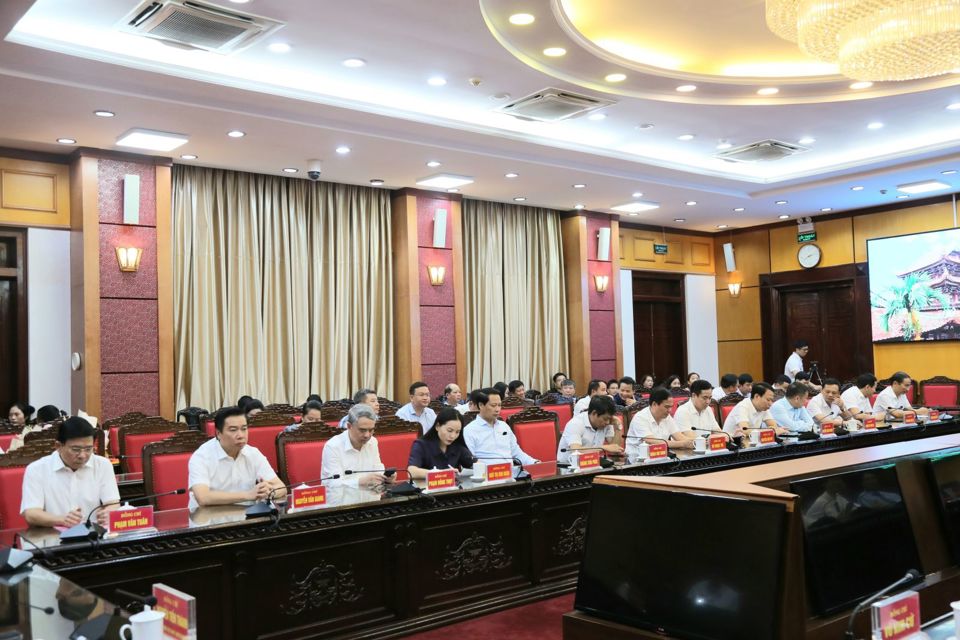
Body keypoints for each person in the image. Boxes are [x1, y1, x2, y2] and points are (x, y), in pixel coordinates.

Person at [20, 416, 121, 527]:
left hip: (94, 537)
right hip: (53, 537)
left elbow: (113, 503)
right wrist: (61, 520)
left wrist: (109, 512)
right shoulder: (37, 469)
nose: (82, 456)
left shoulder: (103, 465)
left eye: (88, 449)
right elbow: (31, 514)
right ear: (58, 446)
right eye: (76, 449)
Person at [187, 406, 286, 510]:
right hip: (208, 520)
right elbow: (203, 498)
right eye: (233, 430)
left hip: (246, 518)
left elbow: (282, 488)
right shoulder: (201, 457)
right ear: (218, 433)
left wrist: (267, 492)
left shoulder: (253, 453)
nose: (240, 435)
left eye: (244, 429)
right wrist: (248, 495)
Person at [321, 403, 396, 488]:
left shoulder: (373, 442)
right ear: (349, 426)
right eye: (362, 430)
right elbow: (333, 484)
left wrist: (385, 478)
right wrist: (359, 482)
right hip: (341, 499)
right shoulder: (333, 446)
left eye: (371, 430)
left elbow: (378, 469)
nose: (367, 435)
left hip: (371, 497)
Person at [463, 389, 538, 465]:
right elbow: (469, 460)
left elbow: (517, 453)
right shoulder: (469, 430)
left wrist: (535, 462)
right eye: (493, 405)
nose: (497, 409)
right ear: (481, 405)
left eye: (499, 405)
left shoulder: (504, 426)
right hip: (486, 474)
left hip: (511, 473)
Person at [406, 408, 474, 478]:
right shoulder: (421, 445)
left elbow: (474, 464)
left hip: (453, 488)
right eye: (449, 430)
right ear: (437, 426)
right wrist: (442, 474)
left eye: (457, 432)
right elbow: (411, 472)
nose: (453, 436)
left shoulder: (457, 445)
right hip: (426, 487)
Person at [626, 387, 696, 455]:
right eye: (666, 407)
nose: (670, 410)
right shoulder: (640, 417)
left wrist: (696, 442)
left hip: (660, 457)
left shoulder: (667, 417)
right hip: (636, 459)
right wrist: (682, 444)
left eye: (671, 407)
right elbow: (653, 442)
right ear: (654, 404)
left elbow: (679, 437)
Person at [557, 395, 622, 464]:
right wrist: (603, 448)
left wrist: (618, 427)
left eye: (610, 419)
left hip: (592, 464)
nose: (608, 422)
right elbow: (576, 450)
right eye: (605, 419)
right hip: (569, 467)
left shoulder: (606, 423)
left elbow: (615, 448)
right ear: (594, 413)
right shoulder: (576, 423)